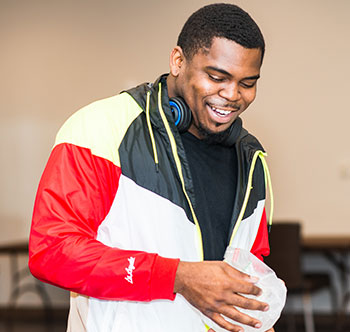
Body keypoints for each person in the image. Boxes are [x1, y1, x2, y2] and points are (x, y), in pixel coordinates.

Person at [29, 3, 275, 332]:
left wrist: (252, 315)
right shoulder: (100, 129)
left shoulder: (250, 157)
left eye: (247, 83)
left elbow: (250, 266)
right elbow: (52, 251)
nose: (232, 95)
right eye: (217, 77)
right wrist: (176, 277)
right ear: (177, 60)